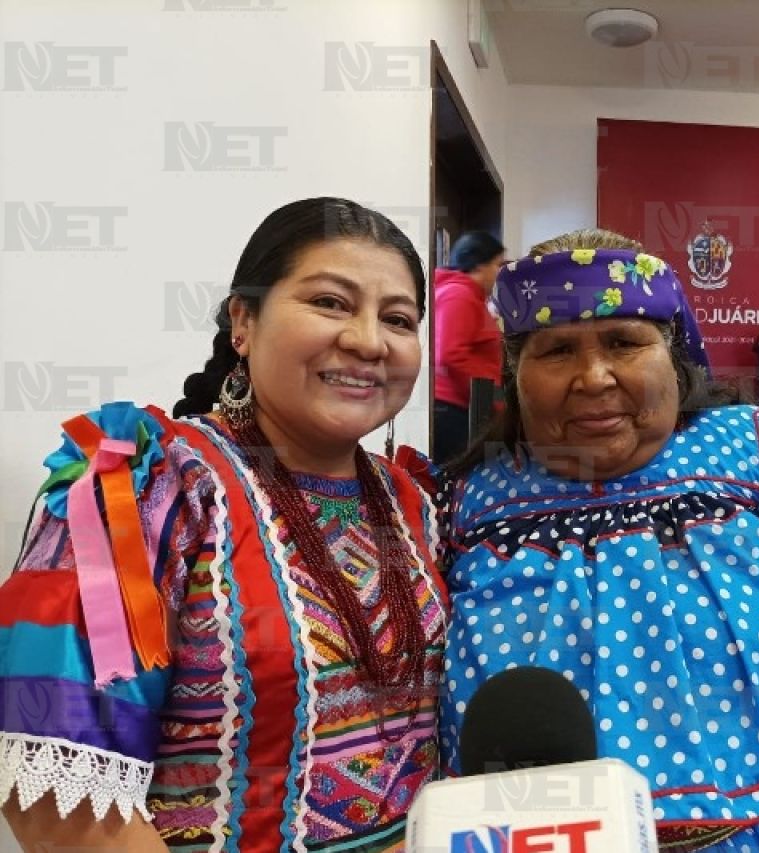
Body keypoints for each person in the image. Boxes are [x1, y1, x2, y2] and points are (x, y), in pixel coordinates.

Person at [427, 229, 759, 852]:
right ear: (515, 373)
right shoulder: (464, 504)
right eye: (557, 349)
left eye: (624, 342)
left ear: (674, 355)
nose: (594, 377)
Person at [0, 198, 449, 852]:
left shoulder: (415, 502)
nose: (368, 340)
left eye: (399, 318)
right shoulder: (147, 491)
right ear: (243, 320)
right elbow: (55, 796)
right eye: (330, 302)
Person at [432, 230, 507, 462]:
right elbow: (450, 355)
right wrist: (488, 401)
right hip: (456, 409)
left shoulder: (469, 297)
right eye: (497, 265)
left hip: (464, 405)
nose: (499, 273)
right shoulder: (459, 295)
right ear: (479, 266)